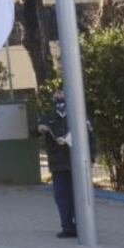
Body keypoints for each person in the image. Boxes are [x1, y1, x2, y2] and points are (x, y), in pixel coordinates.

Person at [36, 90, 96, 239]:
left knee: (80, 195)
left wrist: (91, 159)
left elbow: (91, 139)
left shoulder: (79, 116)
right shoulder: (48, 117)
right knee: (62, 197)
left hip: (76, 164)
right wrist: (39, 128)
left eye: (62, 96)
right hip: (58, 165)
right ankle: (67, 226)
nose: (59, 99)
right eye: (56, 96)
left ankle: (82, 225)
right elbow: (34, 131)